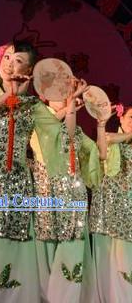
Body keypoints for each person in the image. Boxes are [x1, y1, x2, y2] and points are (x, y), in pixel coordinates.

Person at [0, 41, 87, 302]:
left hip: (18, 185)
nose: (10, 63)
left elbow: (61, 133)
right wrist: (9, 95)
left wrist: (72, 103)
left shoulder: (32, 105)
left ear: (29, 69)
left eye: (18, 60)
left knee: (19, 252)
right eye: (7, 57)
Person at [30, 93, 101, 303]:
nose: (64, 97)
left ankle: (68, 298)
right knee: (47, 248)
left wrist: (101, 125)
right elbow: (51, 128)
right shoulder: (36, 116)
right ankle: (48, 298)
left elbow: (97, 154)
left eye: (66, 94)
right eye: (59, 93)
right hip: (46, 192)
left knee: (73, 244)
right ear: (45, 96)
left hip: (73, 194)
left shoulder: (76, 130)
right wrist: (70, 106)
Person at [90, 105, 132, 303]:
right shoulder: (109, 137)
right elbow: (103, 150)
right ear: (121, 118)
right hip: (109, 208)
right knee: (108, 258)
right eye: (131, 116)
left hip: (129, 211)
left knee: (125, 258)